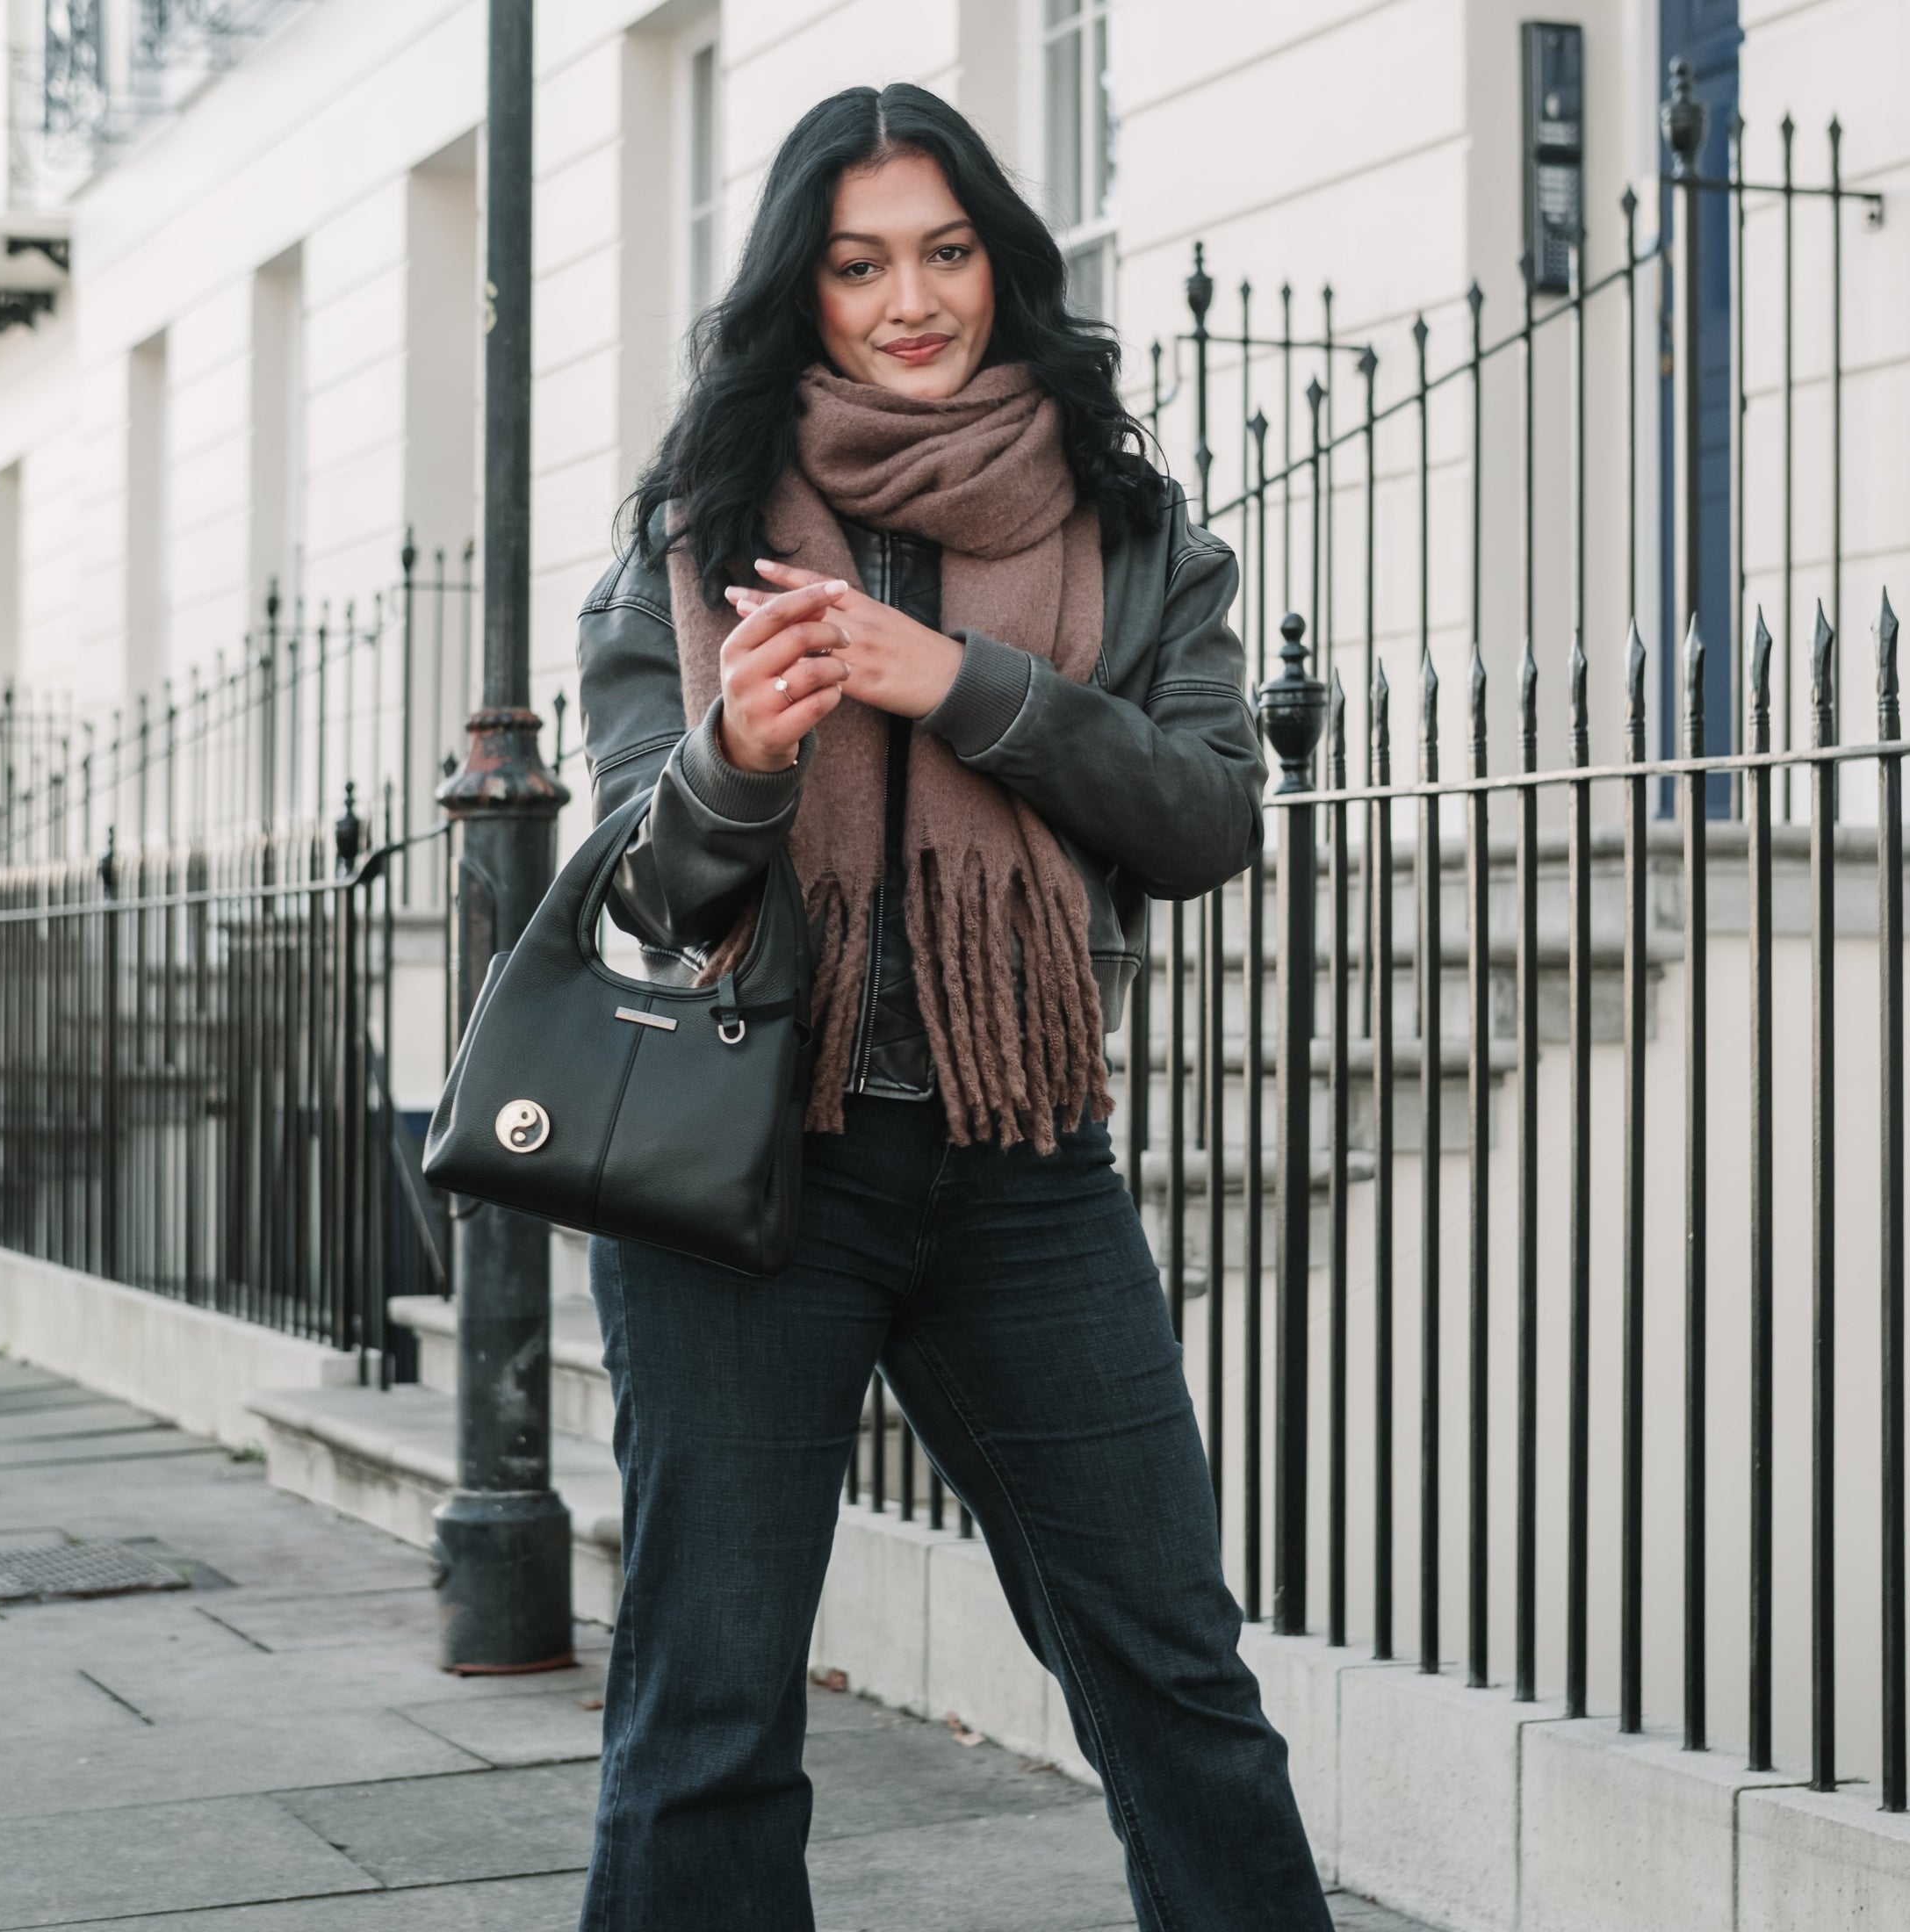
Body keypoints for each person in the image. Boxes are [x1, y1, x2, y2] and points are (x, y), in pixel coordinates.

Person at [573, 81, 1330, 1932]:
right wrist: (740, 757)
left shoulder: (1127, 530)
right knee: (711, 1711)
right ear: (799, 290)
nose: (908, 299)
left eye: (943, 251)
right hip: (745, 1171)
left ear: (1001, 262)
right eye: (856, 264)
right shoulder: (695, 534)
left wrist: (960, 682)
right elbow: (639, 891)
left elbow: (1207, 815)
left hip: (1019, 1163)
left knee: (1175, 1679)